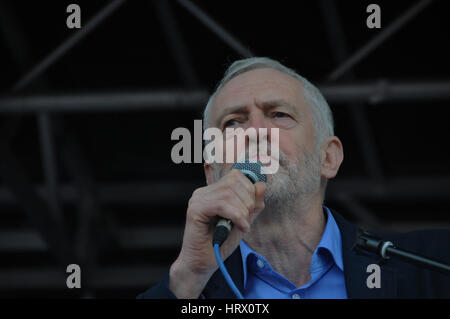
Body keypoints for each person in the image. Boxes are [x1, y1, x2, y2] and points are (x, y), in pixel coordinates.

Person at [137, 57, 450, 299]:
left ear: (328, 158)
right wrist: (188, 276)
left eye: (279, 115)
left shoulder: (431, 263)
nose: (256, 133)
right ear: (211, 173)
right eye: (233, 123)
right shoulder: (190, 290)